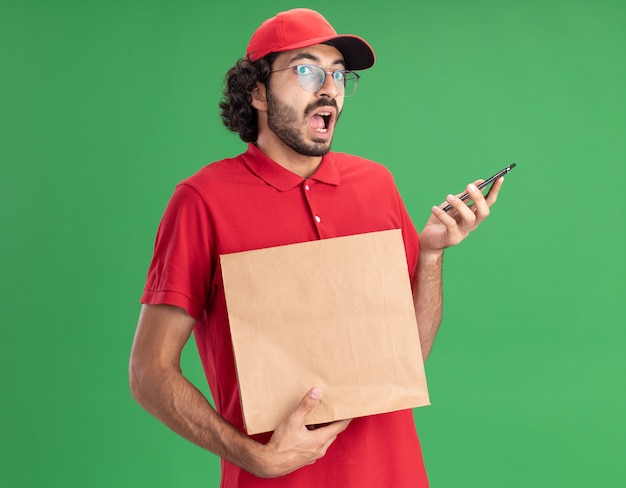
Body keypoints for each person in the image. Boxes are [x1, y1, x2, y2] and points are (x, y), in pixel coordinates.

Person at [129, 8, 504, 488]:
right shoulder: (203, 201)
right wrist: (252, 457)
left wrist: (431, 255)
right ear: (258, 92)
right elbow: (148, 371)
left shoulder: (375, 184)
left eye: (339, 75)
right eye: (307, 70)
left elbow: (404, 359)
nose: (329, 87)